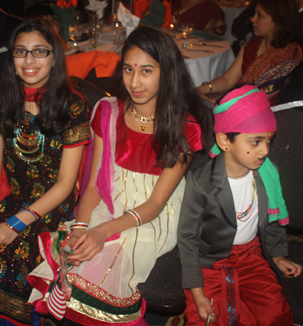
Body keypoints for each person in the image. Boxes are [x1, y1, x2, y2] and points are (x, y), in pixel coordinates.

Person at [28, 25, 210, 325]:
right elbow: (95, 183)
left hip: (151, 215)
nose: (134, 82)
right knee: (74, 251)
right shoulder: (108, 112)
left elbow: (155, 204)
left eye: (146, 71)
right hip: (109, 201)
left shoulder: (183, 127)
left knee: (100, 262)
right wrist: (83, 225)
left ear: (167, 72)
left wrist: (102, 232)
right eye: (128, 70)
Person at [0, 18, 91, 326]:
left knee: (19, 257)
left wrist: (14, 224)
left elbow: (65, 185)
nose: (30, 61)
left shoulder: (72, 106)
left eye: (40, 51)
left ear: (54, 57)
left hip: (50, 206)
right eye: (21, 52)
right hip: (9, 198)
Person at [178, 85, 303, 325]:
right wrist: (197, 293)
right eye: (255, 142)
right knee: (209, 318)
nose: (265, 151)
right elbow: (188, 240)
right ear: (225, 141)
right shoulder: (200, 182)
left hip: (251, 256)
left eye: (268, 140)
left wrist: (276, 255)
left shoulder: (268, 174)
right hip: (210, 262)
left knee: (274, 314)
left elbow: (273, 219)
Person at [197, 0, 303, 105]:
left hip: (260, 114)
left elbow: (254, 100)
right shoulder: (254, 42)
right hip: (236, 102)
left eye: (260, 16)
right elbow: (227, 79)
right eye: (254, 14)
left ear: (278, 21)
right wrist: (199, 90)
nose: (253, 19)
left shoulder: (290, 57)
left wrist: (212, 103)